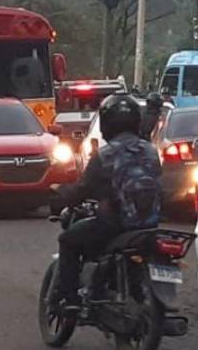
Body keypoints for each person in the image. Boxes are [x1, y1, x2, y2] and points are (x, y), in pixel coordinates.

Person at [54, 94, 162, 309]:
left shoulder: (105, 155)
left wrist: (60, 197)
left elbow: (83, 189)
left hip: (115, 225)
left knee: (68, 240)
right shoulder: (151, 151)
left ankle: (69, 300)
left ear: (106, 123)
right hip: (150, 224)